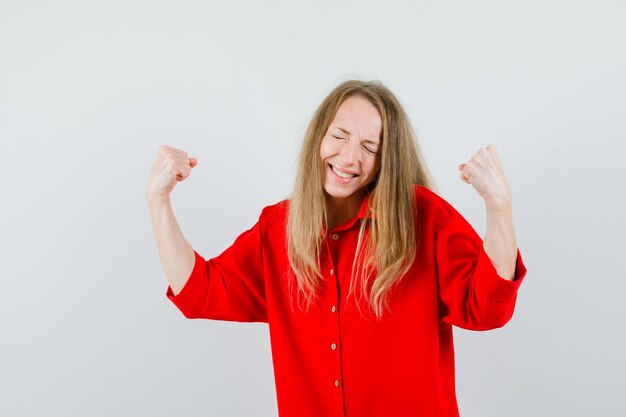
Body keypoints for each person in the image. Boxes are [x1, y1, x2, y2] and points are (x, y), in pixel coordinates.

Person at [146, 79, 527, 417]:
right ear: (319, 138)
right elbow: (199, 292)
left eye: (369, 146)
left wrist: (498, 205)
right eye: (340, 136)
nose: (348, 157)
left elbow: (488, 307)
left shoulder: (423, 216)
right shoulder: (278, 228)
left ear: (386, 161)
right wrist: (158, 200)